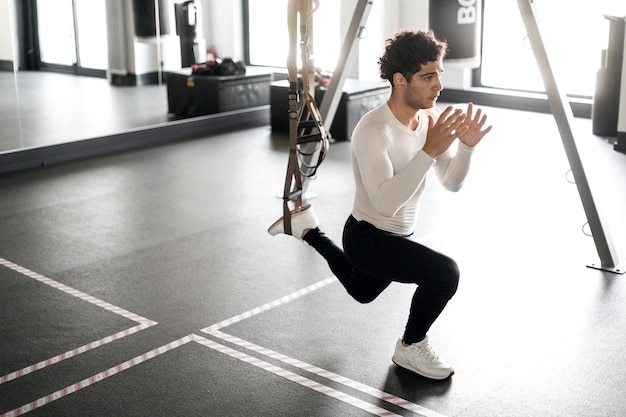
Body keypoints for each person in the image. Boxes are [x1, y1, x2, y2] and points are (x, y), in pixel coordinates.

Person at [268, 30, 492, 380]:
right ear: (400, 81)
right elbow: (386, 204)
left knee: (361, 291)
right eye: (428, 76)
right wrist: (429, 151)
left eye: (440, 75)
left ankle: (307, 229)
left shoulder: (429, 121)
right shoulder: (373, 129)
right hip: (368, 237)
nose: (439, 86)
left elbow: (451, 183)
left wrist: (466, 147)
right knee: (444, 273)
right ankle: (410, 347)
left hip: (397, 235)